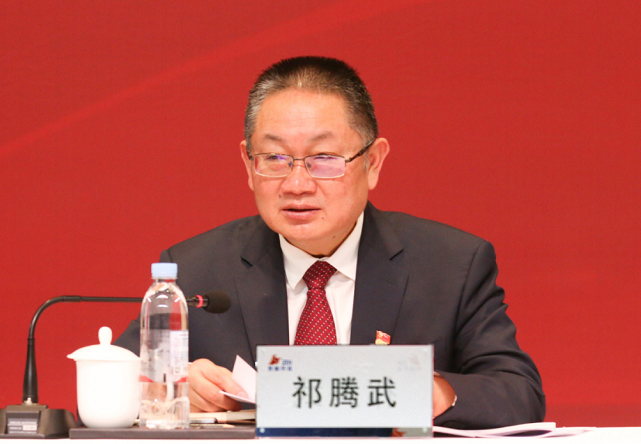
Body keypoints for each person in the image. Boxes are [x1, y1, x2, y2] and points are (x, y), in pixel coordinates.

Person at [115, 56, 545, 429]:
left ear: (372, 162)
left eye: (324, 159)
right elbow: (109, 382)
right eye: (275, 158)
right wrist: (170, 387)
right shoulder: (197, 269)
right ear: (247, 164)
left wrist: (429, 391)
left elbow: (518, 394)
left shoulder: (450, 265)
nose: (297, 184)